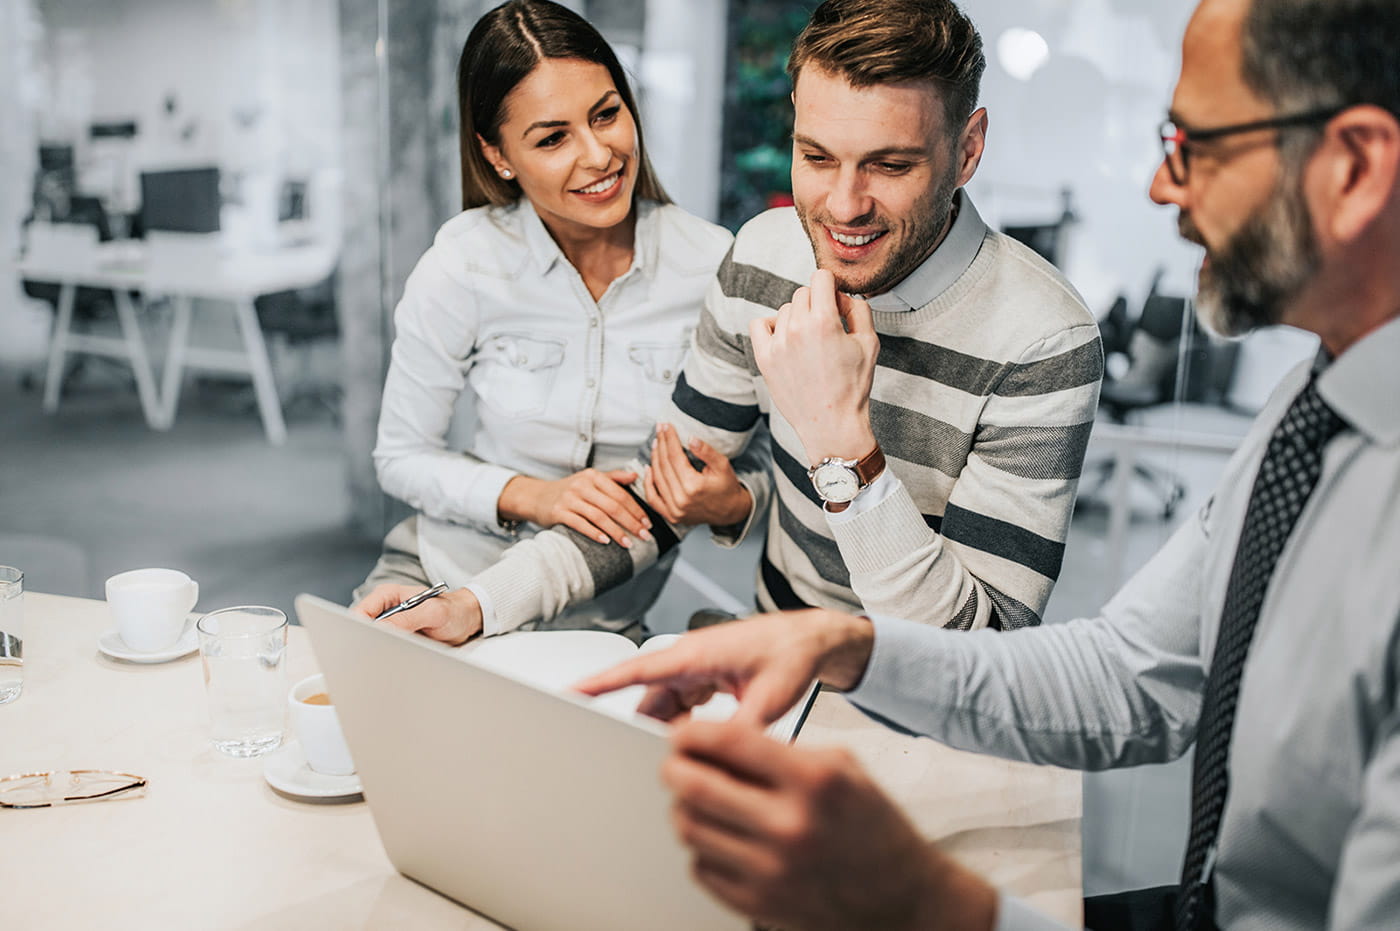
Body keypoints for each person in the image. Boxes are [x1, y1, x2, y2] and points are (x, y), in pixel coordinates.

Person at [574, 0, 1400, 927]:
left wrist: (920, 899)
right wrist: (840, 642)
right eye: (818, 156)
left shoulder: (1047, 335)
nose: (1164, 189)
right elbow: (1132, 678)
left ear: (1355, 166)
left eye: (1195, 145)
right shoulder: (1307, 415)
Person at [357, 0, 1103, 643]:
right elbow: (656, 496)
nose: (843, 208)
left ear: (966, 150)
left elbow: (982, 645)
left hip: (927, 706)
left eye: (891, 165)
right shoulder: (766, 255)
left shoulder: (1043, 341)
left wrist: (843, 444)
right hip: (776, 650)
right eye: (816, 156)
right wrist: (474, 603)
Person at [354, 0, 735, 640]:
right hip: (440, 574)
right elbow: (400, 457)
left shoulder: (713, 266)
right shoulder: (464, 262)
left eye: (606, 114)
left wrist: (730, 504)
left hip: (602, 614)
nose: (598, 156)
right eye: (553, 138)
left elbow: (744, 470)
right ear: (498, 155)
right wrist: (534, 495)